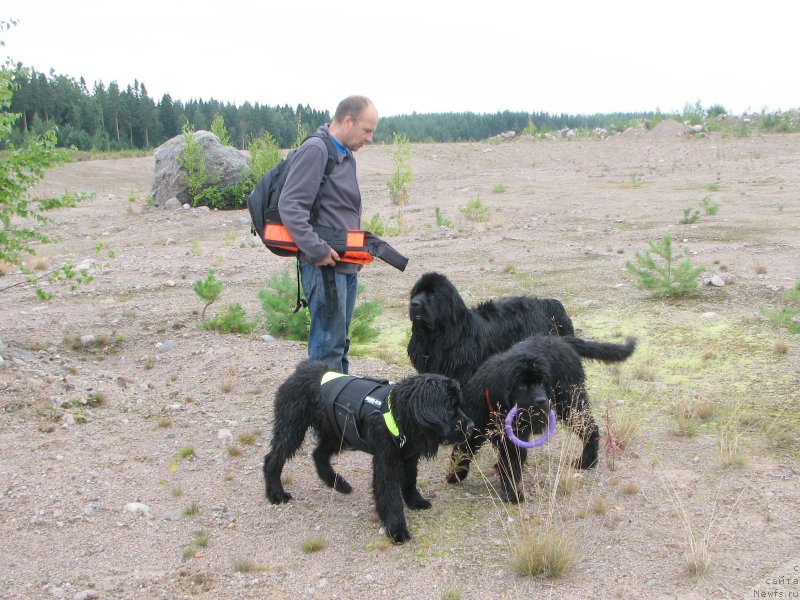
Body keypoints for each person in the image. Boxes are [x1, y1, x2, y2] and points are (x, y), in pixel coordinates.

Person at [278, 95, 379, 374]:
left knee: (339, 343)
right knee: (326, 347)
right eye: (367, 130)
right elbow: (290, 206)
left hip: (344, 265)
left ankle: (338, 407)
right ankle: (322, 414)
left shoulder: (343, 154)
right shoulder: (317, 150)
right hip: (325, 266)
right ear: (348, 121)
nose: (370, 138)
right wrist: (317, 250)